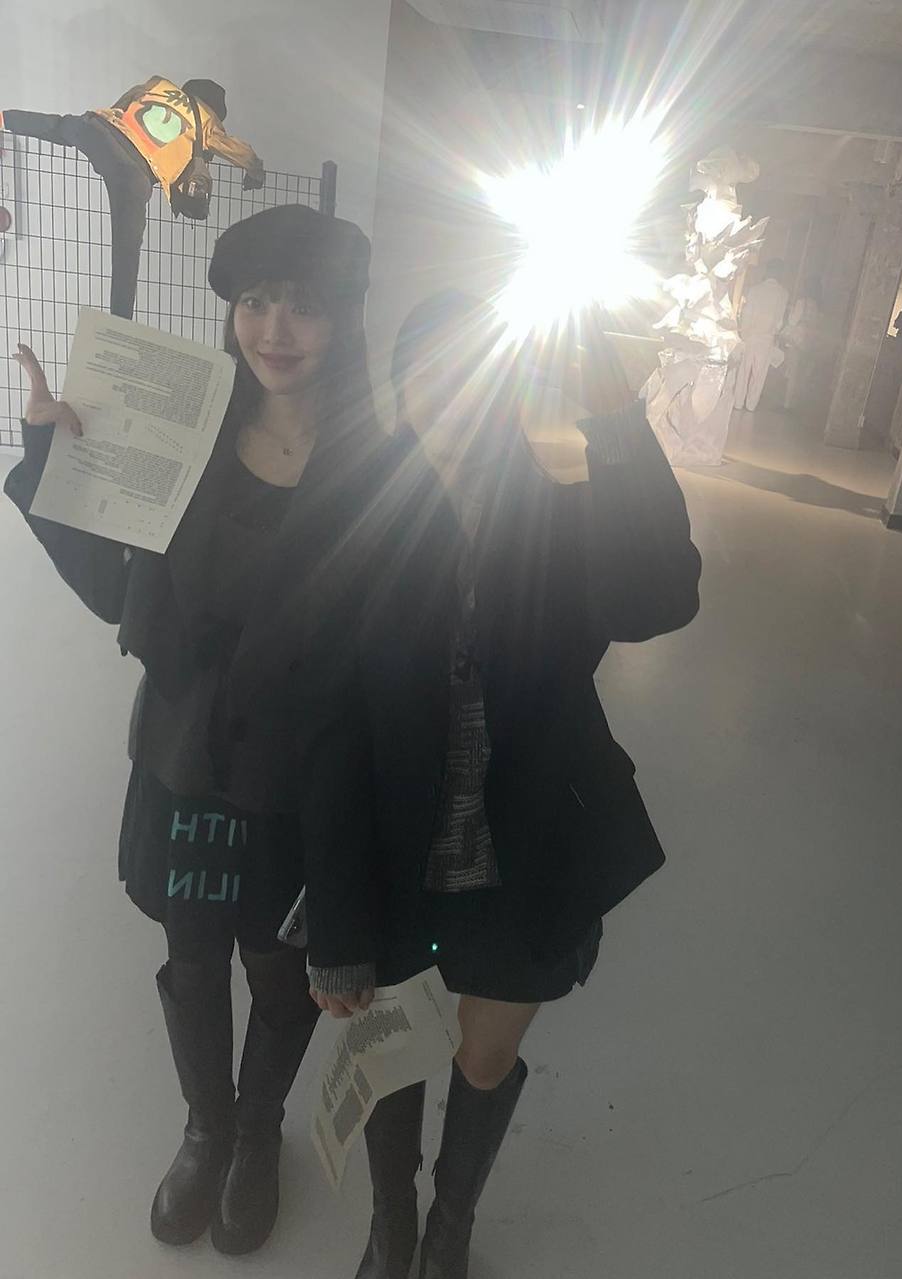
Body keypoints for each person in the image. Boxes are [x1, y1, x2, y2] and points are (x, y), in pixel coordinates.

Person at [4, 204, 383, 1256]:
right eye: (255, 302)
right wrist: (49, 457)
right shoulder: (192, 435)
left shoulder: (377, 466)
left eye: (303, 305)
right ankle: (207, 1126)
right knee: (192, 951)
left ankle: (258, 1130)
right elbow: (117, 592)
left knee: (278, 963)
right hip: (186, 758)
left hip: (296, 778)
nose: (274, 329)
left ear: (343, 319)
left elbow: (375, 669)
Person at [301, 293, 704, 1278]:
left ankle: (451, 1220)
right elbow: (331, 732)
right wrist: (338, 927)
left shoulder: (564, 512)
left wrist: (617, 418)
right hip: (395, 849)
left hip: (527, 849)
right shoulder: (359, 524)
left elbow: (655, 597)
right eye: (428, 377)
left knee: (483, 1056)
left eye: (474, 376)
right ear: (402, 392)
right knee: (393, 1048)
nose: (453, 400)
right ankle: (392, 1220)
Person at [0, 78, 265, 319]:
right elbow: (241, 152)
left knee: (58, 126)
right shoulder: (207, 121)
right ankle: (120, 320)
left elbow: (125, 101)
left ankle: (4, 118)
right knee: (126, 248)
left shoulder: (160, 85)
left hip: (99, 129)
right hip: (132, 170)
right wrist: (255, 173)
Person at [734, 258, 790, 412]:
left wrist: (743, 334)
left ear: (767, 271)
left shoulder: (755, 290)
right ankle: (751, 404)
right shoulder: (783, 294)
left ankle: (738, 402)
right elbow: (779, 321)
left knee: (743, 371)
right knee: (759, 375)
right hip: (767, 338)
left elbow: (747, 314)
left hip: (751, 336)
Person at [781, 275, 822, 412]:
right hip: (807, 340)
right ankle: (794, 403)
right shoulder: (815, 306)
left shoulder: (801, 302)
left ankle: (786, 404)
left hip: (796, 339)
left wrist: (790, 312)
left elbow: (792, 321)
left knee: (791, 372)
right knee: (799, 373)